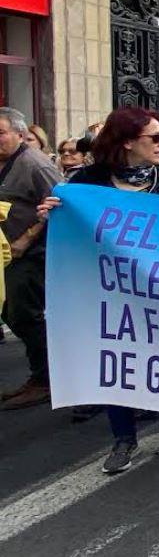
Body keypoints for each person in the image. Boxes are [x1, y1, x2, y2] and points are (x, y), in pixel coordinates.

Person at [38, 108, 159, 473]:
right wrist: (52, 215)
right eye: (155, 138)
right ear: (128, 143)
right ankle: (123, 438)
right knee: (119, 358)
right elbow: (67, 227)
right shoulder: (85, 182)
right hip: (110, 289)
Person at [0, 108, 62, 410]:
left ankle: (48, 378)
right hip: (4, 255)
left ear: (20, 134)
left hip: (30, 255)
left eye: (1, 133)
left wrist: (26, 238)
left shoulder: (34, 164)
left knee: (24, 315)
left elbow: (60, 204)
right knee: (10, 314)